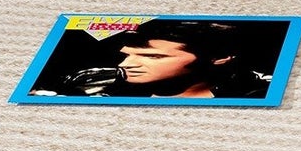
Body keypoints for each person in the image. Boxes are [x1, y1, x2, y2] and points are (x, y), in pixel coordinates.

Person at [84, 19, 279, 100]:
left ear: (220, 58)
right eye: (127, 54)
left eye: (153, 56)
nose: (125, 65)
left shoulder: (258, 90)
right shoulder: (106, 91)